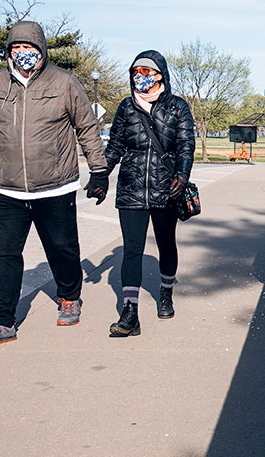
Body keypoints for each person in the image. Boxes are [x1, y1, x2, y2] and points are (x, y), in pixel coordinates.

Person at [0, 20, 109, 348]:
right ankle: (1, 321)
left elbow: (86, 127)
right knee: (5, 254)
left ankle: (69, 297)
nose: (22, 54)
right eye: (16, 48)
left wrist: (98, 170)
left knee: (61, 247)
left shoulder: (64, 82)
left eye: (28, 48)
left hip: (55, 185)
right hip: (8, 188)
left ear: (41, 51)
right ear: (9, 52)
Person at [103, 50, 195, 337]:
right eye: (136, 72)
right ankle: (130, 313)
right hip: (131, 188)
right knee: (132, 250)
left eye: (147, 72)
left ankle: (165, 292)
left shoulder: (177, 107)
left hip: (166, 188)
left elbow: (185, 145)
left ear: (160, 75)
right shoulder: (126, 107)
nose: (141, 78)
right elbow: (115, 146)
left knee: (166, 244)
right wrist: (99, 175)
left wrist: (182, 175)